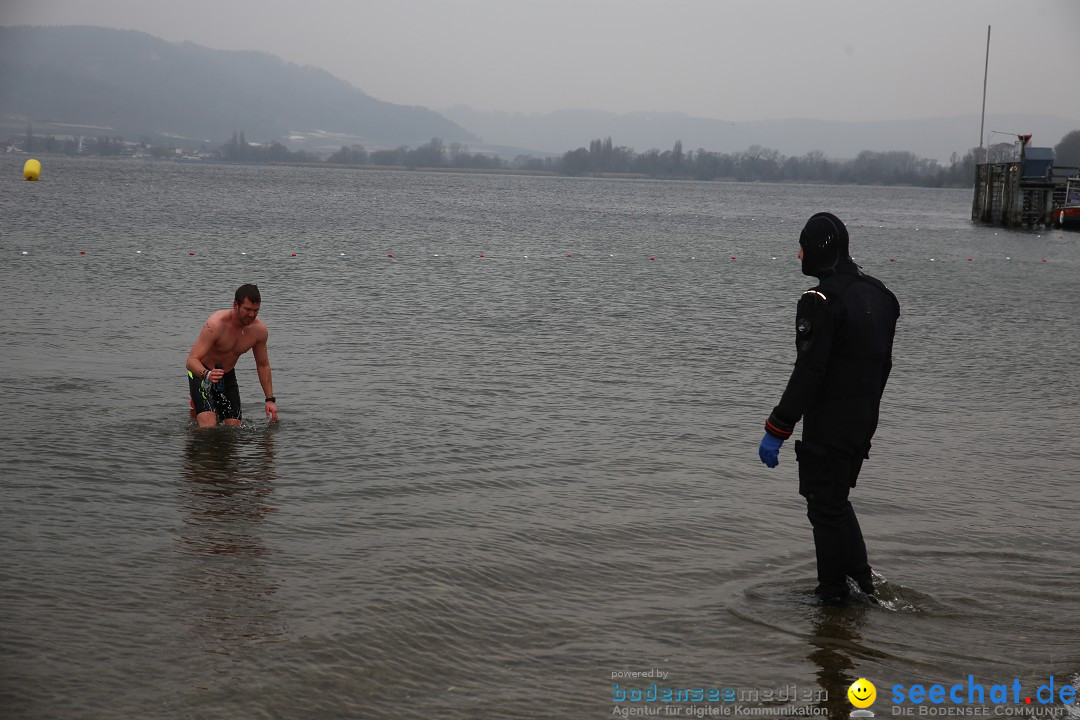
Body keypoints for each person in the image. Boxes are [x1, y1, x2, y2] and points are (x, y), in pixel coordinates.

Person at [758, 212, 900, 604]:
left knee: (824, 508)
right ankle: (863, 585)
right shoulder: (881, 294)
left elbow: (811, 370)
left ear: (820, 249)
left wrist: (777, 428)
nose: (798, 253)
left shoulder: (820, 302)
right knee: (835, 502)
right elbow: (884, 365)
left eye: (802, 244)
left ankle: (833, 597)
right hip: (863, 420)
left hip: (831, 423)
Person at [186, 284, 279, 428]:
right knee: (208, 427)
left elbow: (263, 364)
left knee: (234, 427)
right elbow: (191, 361)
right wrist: (207, 374)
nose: (252, 315)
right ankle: (196, 410)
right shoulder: (216, 324)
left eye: (256, 310)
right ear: (235, 305)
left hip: (226, 374)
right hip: (202, 373)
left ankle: (203, 410)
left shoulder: (259, 331)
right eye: (247, 310)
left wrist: (270, 400)